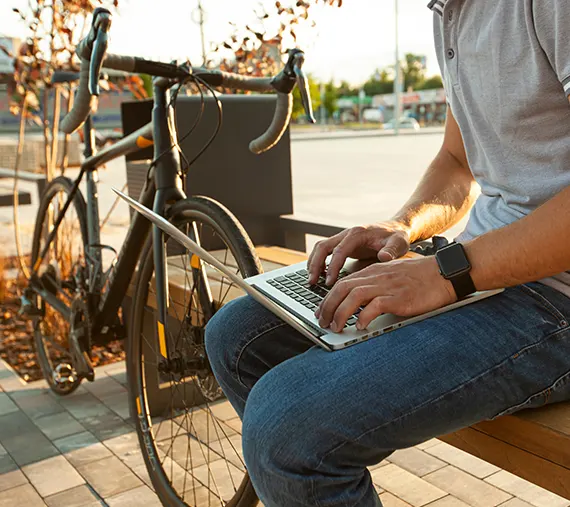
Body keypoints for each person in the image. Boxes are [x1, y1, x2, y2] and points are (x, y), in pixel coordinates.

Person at [205, 1, 570, 505]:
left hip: (555, 298)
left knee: (286, 427)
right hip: (485, 270)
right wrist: (400, 228)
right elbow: (457, 160)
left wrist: (445, 274)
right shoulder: (451, 12)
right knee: (237, 337)